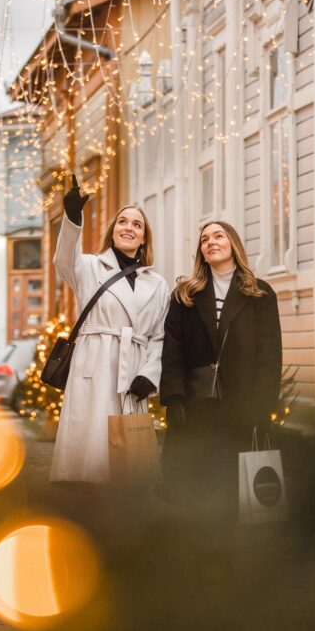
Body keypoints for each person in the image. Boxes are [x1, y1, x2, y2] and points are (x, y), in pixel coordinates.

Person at [50, 176, 170, 484]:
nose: (129, 228)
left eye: (137, 225)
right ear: (113, 231)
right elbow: (64, 260)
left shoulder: (157, 284)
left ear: (144, 238)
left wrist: (149, 374)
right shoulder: (89, 267)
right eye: (123, 222)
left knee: (127, 461)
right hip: (94, 368)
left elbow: (159, 335)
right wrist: (73, 218)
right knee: (91, 456)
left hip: (132, 373)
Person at [160, 221, 282, 517]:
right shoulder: (184, 295)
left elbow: (270, 355)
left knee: (234, 491)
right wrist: (174, 399)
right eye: (204, 239)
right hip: (196, 404)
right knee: (194, 491)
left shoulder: (260, 294)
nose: (210, 242)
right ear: (201, 251)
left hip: (241, 405)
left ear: (233, 244)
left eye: (218, 236)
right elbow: (172, 350)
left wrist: (263, 407)